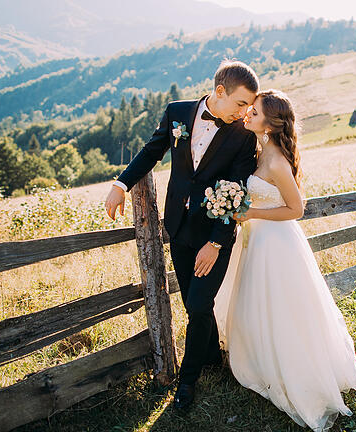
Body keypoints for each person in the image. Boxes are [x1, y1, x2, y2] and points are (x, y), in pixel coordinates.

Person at [104, 60, 259, 412]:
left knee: (199, 305)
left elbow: (238, 190)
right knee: (195, 305)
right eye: (240, 104)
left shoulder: (243, 135)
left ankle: (187, 383)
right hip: (177, 227)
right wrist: (120, 184)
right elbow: (152, 151)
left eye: (249, 107)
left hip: (213, 236)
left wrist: (217, 243)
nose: (244, 112)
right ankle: (212, 358)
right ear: (220, 92)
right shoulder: (178, 112)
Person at [214, 89, 356, 431]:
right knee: (257, 304)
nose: (248, 114)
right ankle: (262, 363)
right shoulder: (260, 150)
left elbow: (296, 209)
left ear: (270, 123)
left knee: (282, 308)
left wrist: (250, 211)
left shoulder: (277, 161)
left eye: (255, 111)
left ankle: (293, 371)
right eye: (248, 109)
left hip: (276, 243)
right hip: (257, 238)